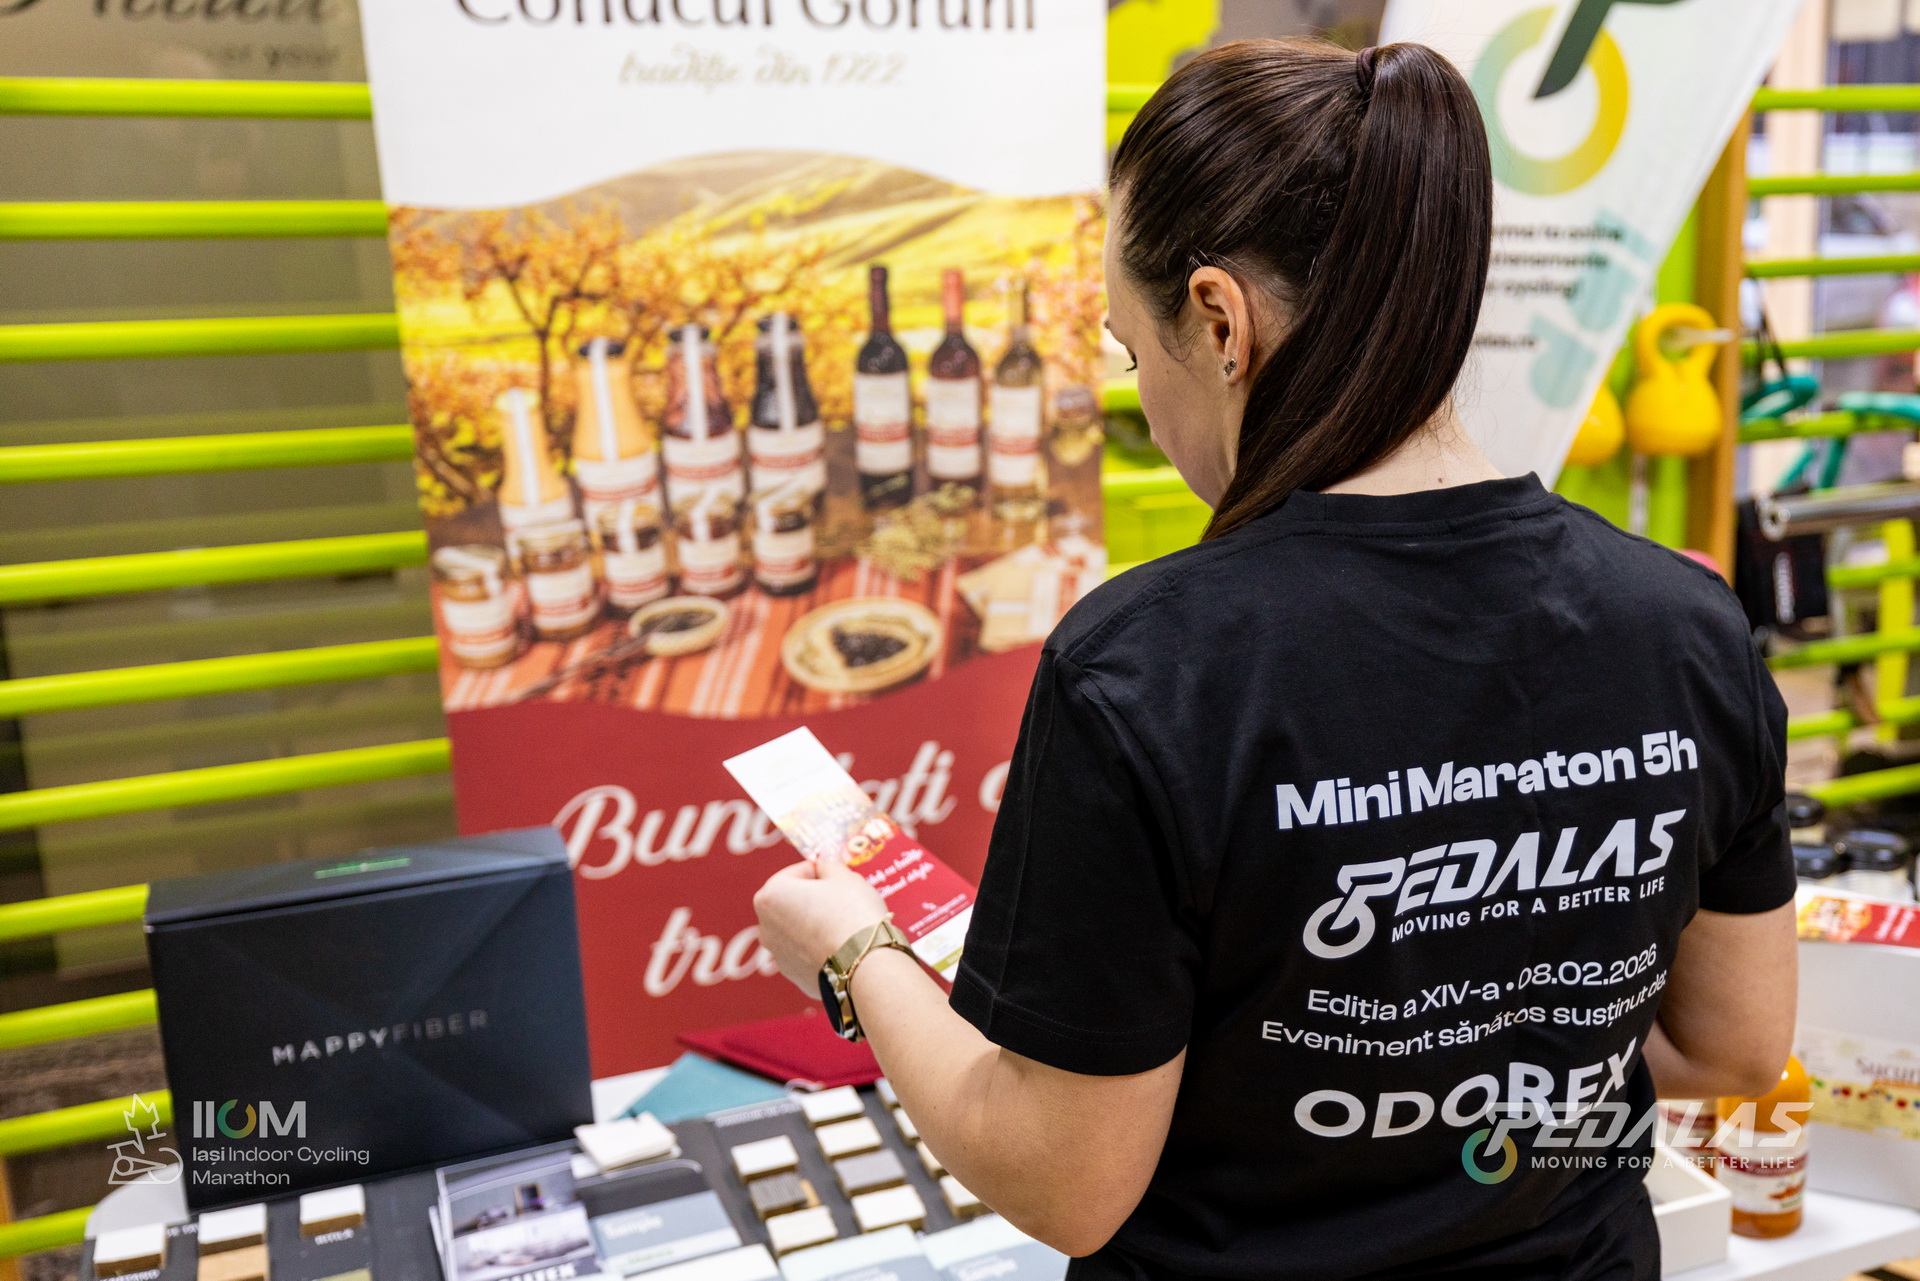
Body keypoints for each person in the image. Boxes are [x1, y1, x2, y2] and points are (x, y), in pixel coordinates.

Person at [753, 38, 1796, 1281]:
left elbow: (1064, 1183)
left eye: (1132, 354)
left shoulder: (1145, 669)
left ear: (1218, 321)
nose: (1148, 406)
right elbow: (1734, 1046)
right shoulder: (1686, 623)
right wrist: (1476, 1084)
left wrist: (858, 956)